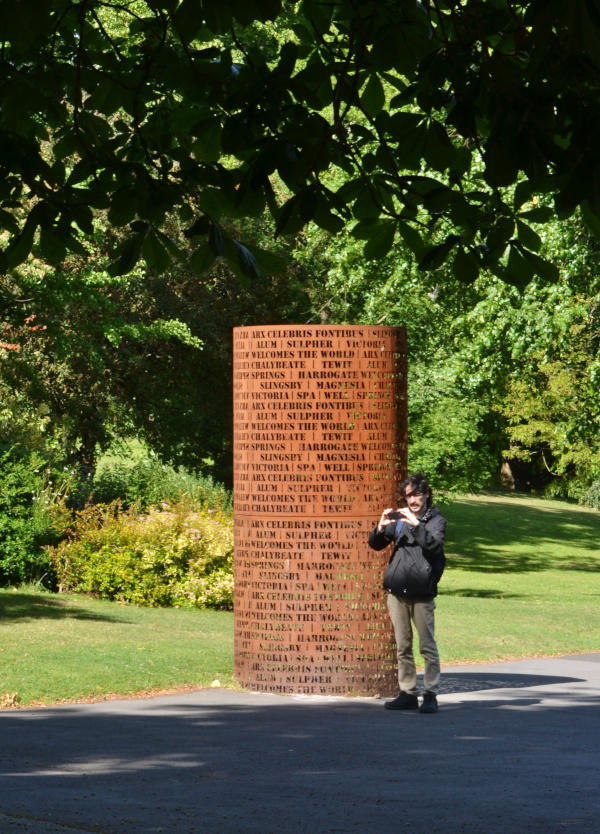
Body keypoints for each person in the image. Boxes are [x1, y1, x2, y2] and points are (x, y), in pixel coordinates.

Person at [368, 473, 446, 713]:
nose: (413, 500)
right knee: (403, 646)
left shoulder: (435, 520)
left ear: (426, 495)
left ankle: (430, 694)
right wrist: (380, 528)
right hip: (397, 592)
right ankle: (408, 692)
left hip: (422, 593)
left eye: (417, 495)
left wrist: (416, 524)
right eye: (409, 495)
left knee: (427, 646)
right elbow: (376, 544)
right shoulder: (400, 520)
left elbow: (434, 546)